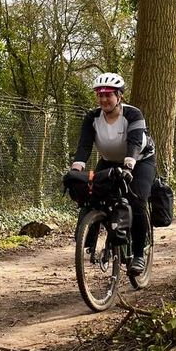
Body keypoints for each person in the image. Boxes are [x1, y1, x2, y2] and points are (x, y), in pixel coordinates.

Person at [70, 72, 156, 275]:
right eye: (100, 95)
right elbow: (84, 145)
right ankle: (92, 236)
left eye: (108, 95)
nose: (103, 99)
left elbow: (135, 142)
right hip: (109, 161)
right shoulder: (92, 117)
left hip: (140, 161)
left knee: (136, 201)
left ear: (119, 96)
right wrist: (76, 169)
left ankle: (138, 256)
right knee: (92, 194)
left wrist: (128, 167)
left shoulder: (133, 114)